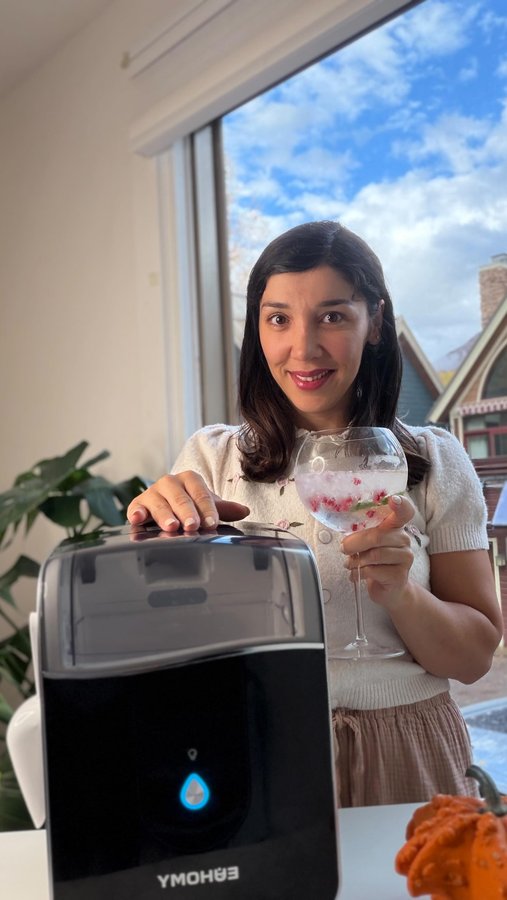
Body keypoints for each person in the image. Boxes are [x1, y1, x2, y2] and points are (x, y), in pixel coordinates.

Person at [127, 220, 503, 807]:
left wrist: (402, 593)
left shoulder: (435, 460)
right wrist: (153, 533)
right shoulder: (212, 458)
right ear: (258, 328)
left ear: (375, 322)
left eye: (332, 316)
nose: (303, 348)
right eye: (279, 318)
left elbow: (477, 658)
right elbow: (173, 641)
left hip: (407, 749)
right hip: (259, 749)